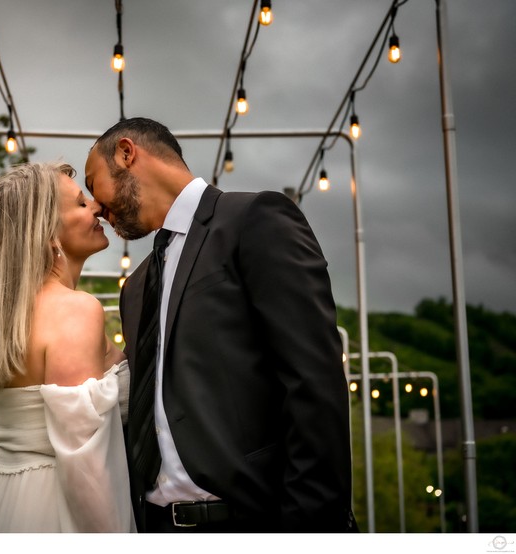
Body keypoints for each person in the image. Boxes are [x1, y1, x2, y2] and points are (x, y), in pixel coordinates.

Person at [84, 117, 357, 532]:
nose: (97, 208)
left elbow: (313, 383)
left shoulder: (254, 219)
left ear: (126, 153)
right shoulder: (135, 287)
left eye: (93, 184)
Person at [0, 161, 135, 532]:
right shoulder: (76, 311)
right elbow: (85, 460)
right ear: (47, 231)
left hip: (2, 496)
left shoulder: (1, 317)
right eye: (82, 204)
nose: (98, 207)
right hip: (56, 509)